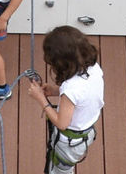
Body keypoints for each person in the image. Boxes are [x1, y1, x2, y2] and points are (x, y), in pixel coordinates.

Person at [24, 25, 105, 174]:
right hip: (85, 133)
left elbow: (61, 123)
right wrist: (56, 90)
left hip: (69, 143)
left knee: (60, 170)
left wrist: (41, 98)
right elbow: (82, 95)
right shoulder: (93, 68)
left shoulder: (70, 89)